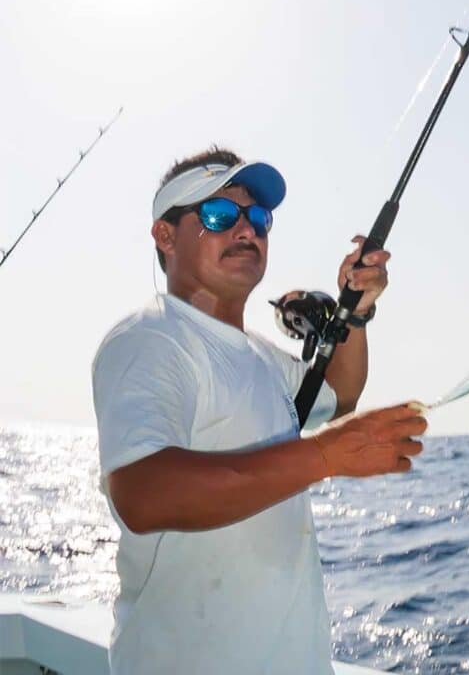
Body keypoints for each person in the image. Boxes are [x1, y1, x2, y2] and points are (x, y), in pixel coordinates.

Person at [91, 147, 426, 674]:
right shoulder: (150, 340)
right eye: (220, 216)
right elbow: (142, 494)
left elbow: (338, 395)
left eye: (258, 219)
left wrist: (355, 314)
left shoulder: (261, 359)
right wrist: (325, 456)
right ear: (165, 236)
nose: (247, 230)